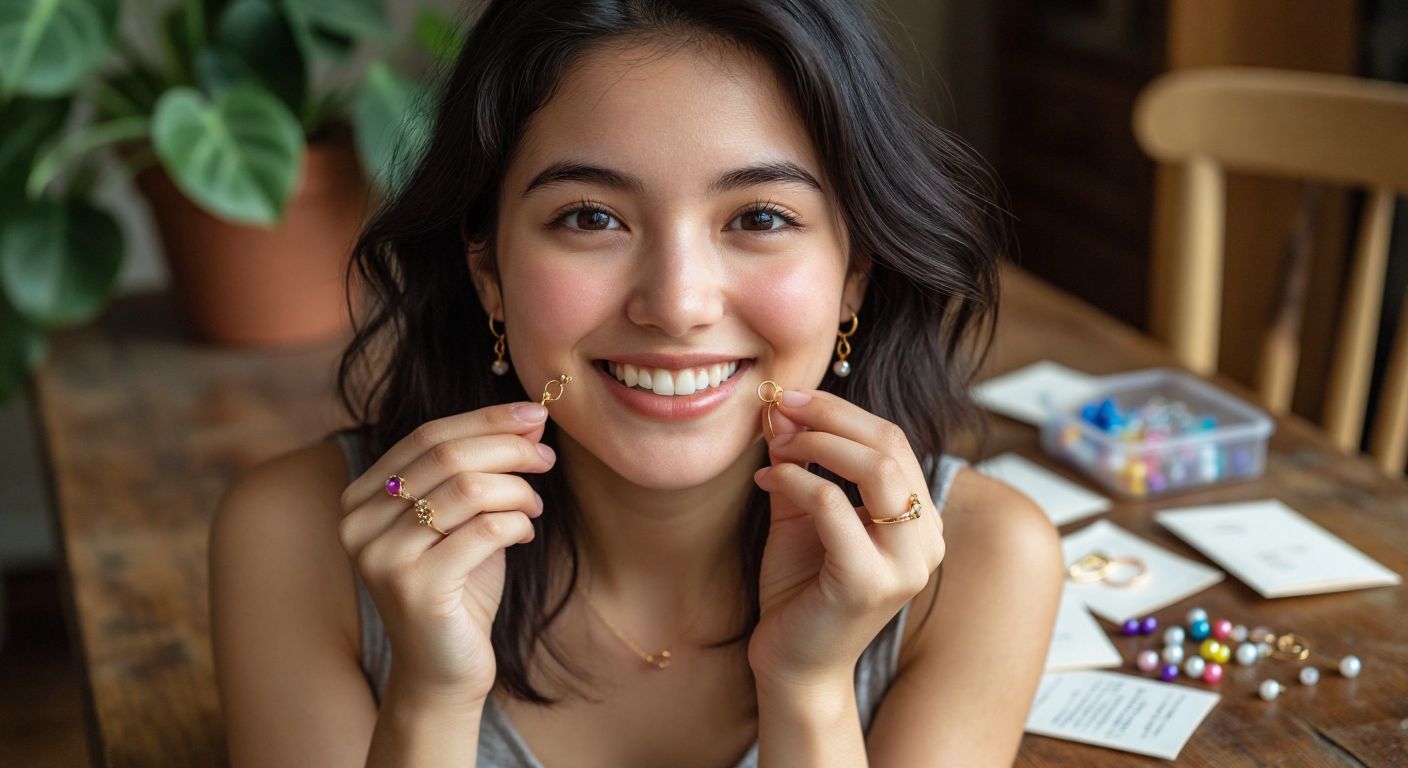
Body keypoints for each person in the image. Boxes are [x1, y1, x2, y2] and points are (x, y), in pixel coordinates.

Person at [208, 0, 1063, 765]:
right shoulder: (295, 543)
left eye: (760, 218)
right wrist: (431, 698)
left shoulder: (982, 565)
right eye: (591, 217)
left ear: (855, 275)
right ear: (489, 269)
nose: (677, 304)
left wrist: (808, 688)